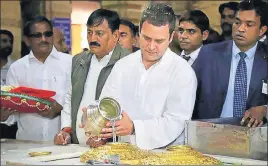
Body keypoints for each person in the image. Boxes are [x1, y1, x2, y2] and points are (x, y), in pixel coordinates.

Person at [86, 3, 197, 150]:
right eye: (146, 38)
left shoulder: (183, 73)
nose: (151, 46)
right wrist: (96, 122)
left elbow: (175, 122)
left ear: (171, 37)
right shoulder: (123, 66)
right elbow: (108, 104)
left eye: (159, 41)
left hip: (164, 156)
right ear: (139, 31)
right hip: (121, 153)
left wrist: (134, 127)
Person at [53, 9, 130, 146]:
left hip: (113, 147)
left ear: (115, 35)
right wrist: (66, 130)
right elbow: (70, 97)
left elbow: (129, 107)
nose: (93, 39)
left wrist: (106, 137)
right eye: (89, 33)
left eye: (99, 33)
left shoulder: (128, 62)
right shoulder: (79, 60)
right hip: (77, 146)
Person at [193, 0, 268, 128]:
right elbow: (185, 92)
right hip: (209, 133)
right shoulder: (208, 54)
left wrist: (265, 109)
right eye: (237, 22)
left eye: (249, 24)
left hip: (252, 137)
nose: (240, 29)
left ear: (262, 30)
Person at [0, 16, 73, 141]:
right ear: (27, 40)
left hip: (63, 144)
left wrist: (59, 109)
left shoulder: (70, 63)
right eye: (37, 35)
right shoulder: (17, 68)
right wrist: (4, 114)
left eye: (47, 34)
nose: (44, 39)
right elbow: (12, 115)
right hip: (26, 145)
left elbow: (78, 102)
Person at [0, 29, 18, 139]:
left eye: (10, 41)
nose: (8, 44)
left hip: (12, 127)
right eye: (4, 41)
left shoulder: (17, 68)